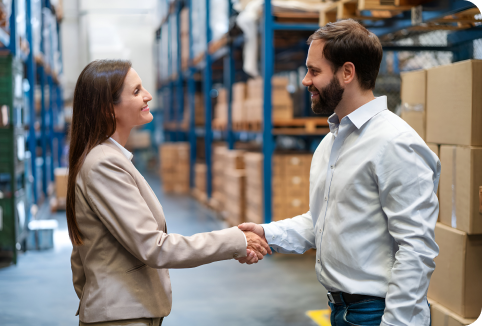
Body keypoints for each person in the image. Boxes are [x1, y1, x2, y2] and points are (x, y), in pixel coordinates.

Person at [238, 19, 440, 326]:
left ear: (347, 73)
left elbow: (416, 248)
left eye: (314, 71)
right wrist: (267, 233)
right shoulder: (331, 142)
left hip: (378, 314)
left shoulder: (396, 143)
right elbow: (322, 222)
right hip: (341, 310)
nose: (305, 80)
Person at [66, 60, 271, 326]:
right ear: (109, 109)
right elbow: (155, 248)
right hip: (122, 316)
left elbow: (80, 256)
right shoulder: (104, 164)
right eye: (137, 91)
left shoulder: (107, 158)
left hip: (124, 311)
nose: (148, 96)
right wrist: (236, 241)